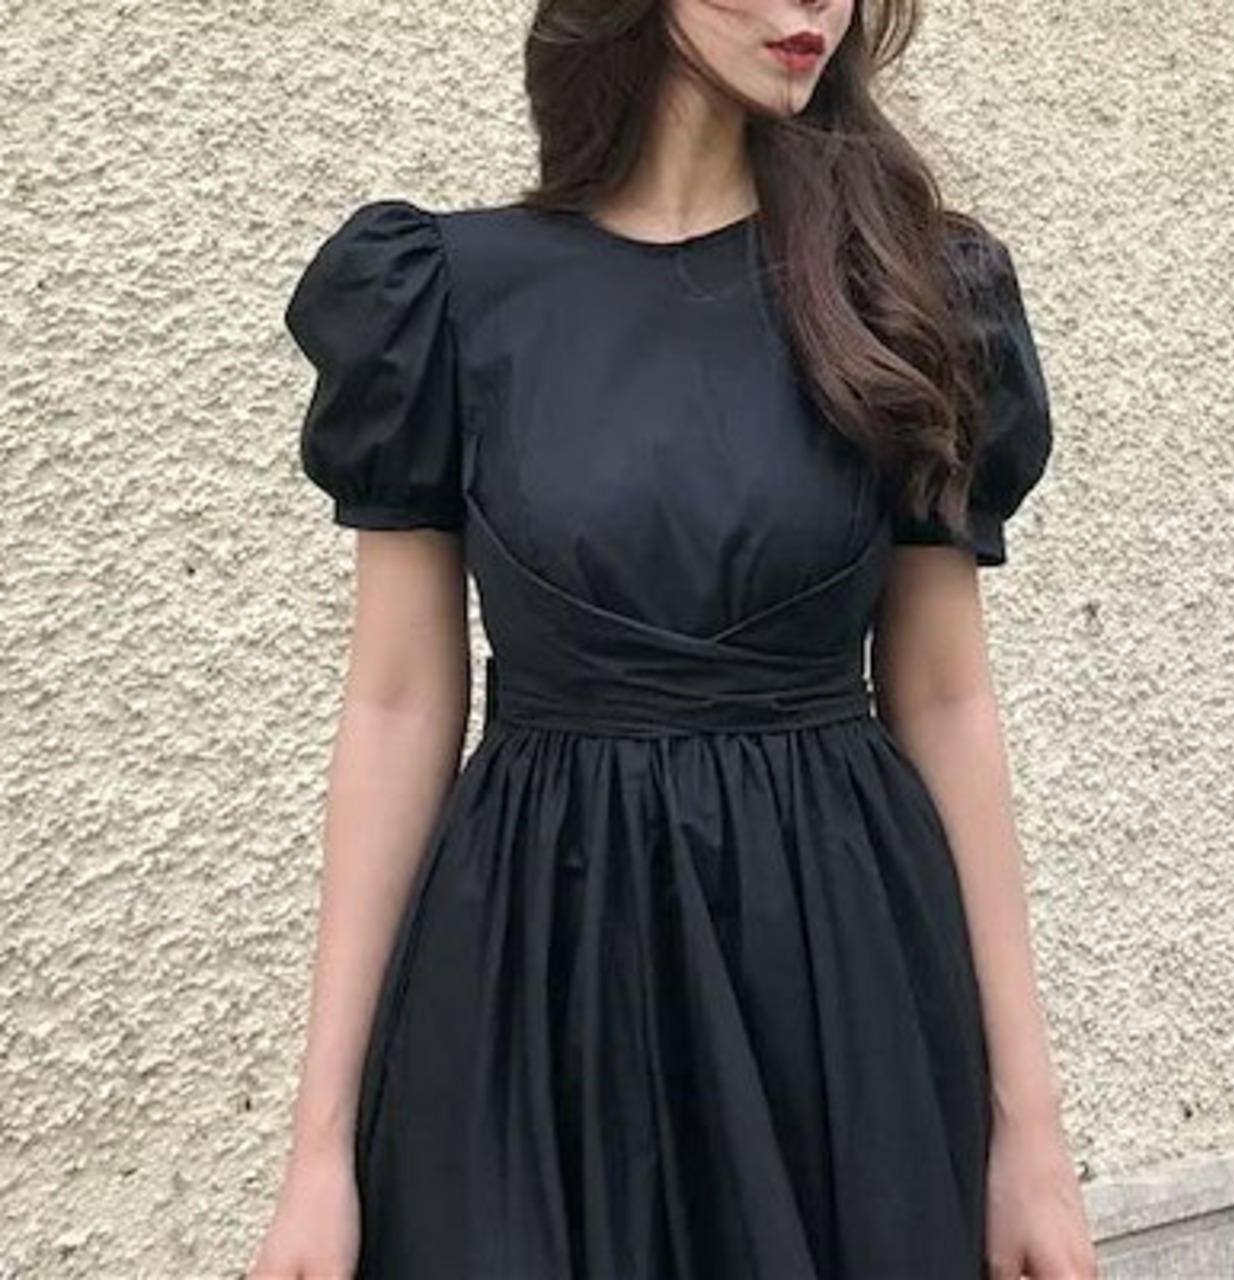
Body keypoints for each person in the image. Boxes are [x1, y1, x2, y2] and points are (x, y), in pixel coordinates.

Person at [250, 1, 1097, 1277]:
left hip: (836, 968)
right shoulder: (442, 296)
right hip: (536, 959)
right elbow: (398, 702)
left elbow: (943, 699)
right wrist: (319, 1150)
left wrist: (1026, 1131)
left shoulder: (907, 293)